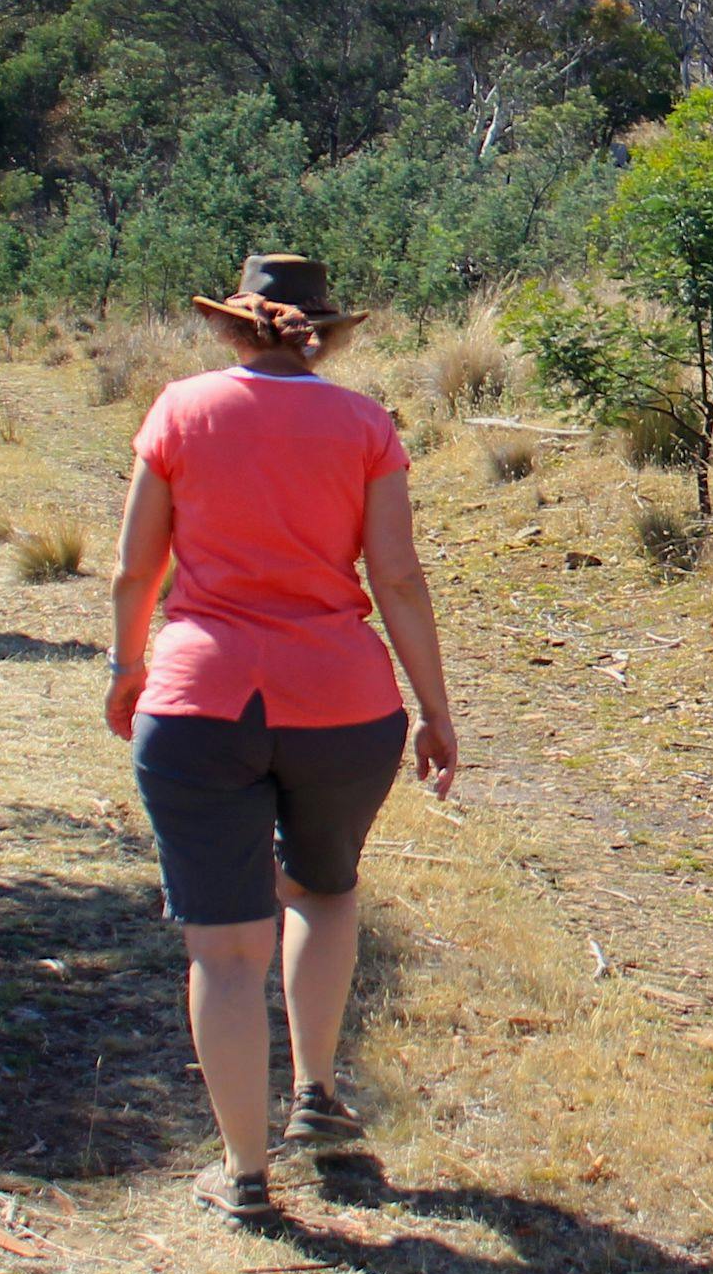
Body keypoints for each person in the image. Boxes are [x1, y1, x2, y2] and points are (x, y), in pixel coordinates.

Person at [105, 255, 461, 1224]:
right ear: (327, 334)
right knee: (324, 889)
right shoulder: (363, 425)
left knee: (223, 952)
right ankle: (314, 1093)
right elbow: (397, 578)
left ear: (233, 328)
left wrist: (126, 668)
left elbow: (138, 570)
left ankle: (247, 1176)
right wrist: (435, 707)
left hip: (197, 702)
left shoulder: (180, 411)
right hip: (342, 704)